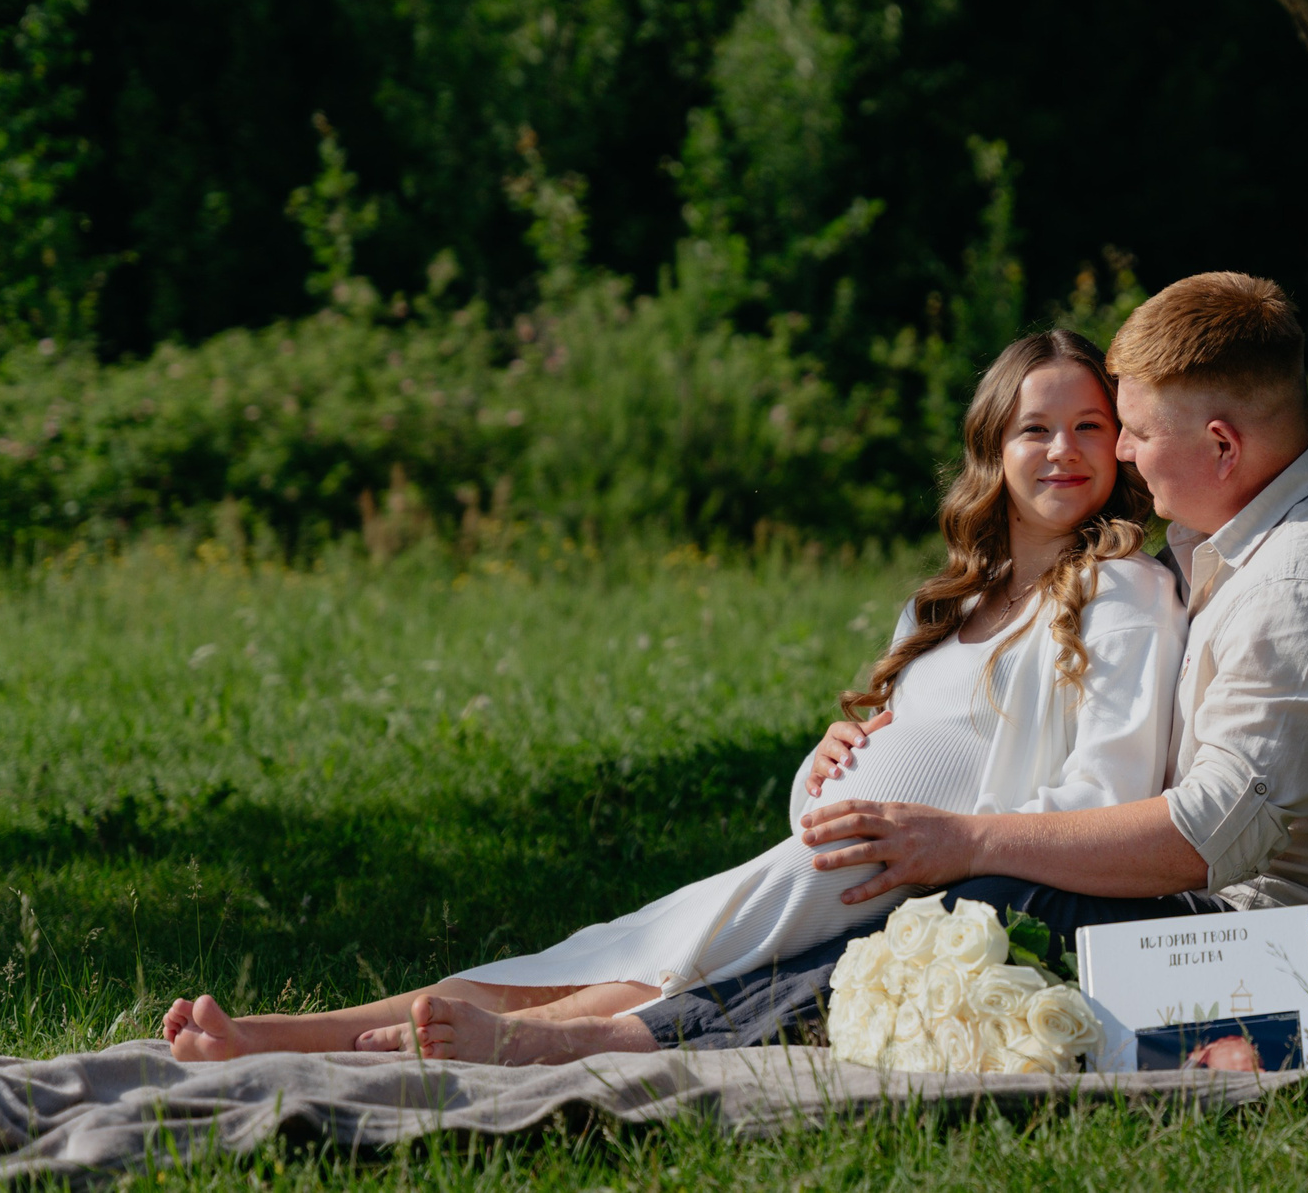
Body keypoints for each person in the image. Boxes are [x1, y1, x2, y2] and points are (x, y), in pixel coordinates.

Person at [157, 328, 1185, 1063]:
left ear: (1118, 447)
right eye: (1034, 430)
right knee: (622, 945)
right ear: (991, 451)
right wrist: (826, 764)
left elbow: (1110, 785)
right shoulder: (938, 604)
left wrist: (956, 837)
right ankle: (331, 1035)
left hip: (948, 876)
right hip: (842, 858)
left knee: (651, 949)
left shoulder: (1124, 594)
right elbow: (823, 804)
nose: (1061, 452)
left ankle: (339, 1038)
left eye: (1089, 427)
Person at [797, 271, 1308, 952]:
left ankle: (715, 1018)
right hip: (1200, 905)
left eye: (1136, 430)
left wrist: (968, 839)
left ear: (1223, 446)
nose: (1122, 451)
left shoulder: (1304, 587)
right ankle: (718, 1004)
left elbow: (1206, 837)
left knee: (982, 909)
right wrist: (872, 757)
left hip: (1278, 941)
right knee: (947, 892)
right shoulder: (1220, 543)